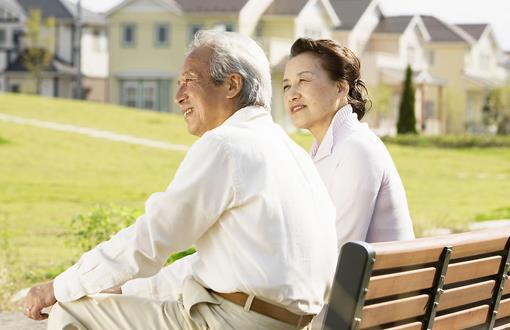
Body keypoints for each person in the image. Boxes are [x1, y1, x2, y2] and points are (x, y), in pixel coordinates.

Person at [23, 31, 338, 330]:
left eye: (189, 80)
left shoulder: (226, 145)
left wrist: (59, 287)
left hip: (231, 322)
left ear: (232, 85)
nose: (178, 96)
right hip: (284, 322)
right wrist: (125, 289)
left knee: (69, 310)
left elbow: (151, 239)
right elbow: (209, 265)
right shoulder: (289, 153)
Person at [283, 38, 415, 329]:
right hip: (365, 307)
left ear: (341, 87)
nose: (292, 93)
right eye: (286, 85)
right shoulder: (323, 152)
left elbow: (337, 256)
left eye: (304, 81)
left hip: (375, 315)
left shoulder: (356, 149)